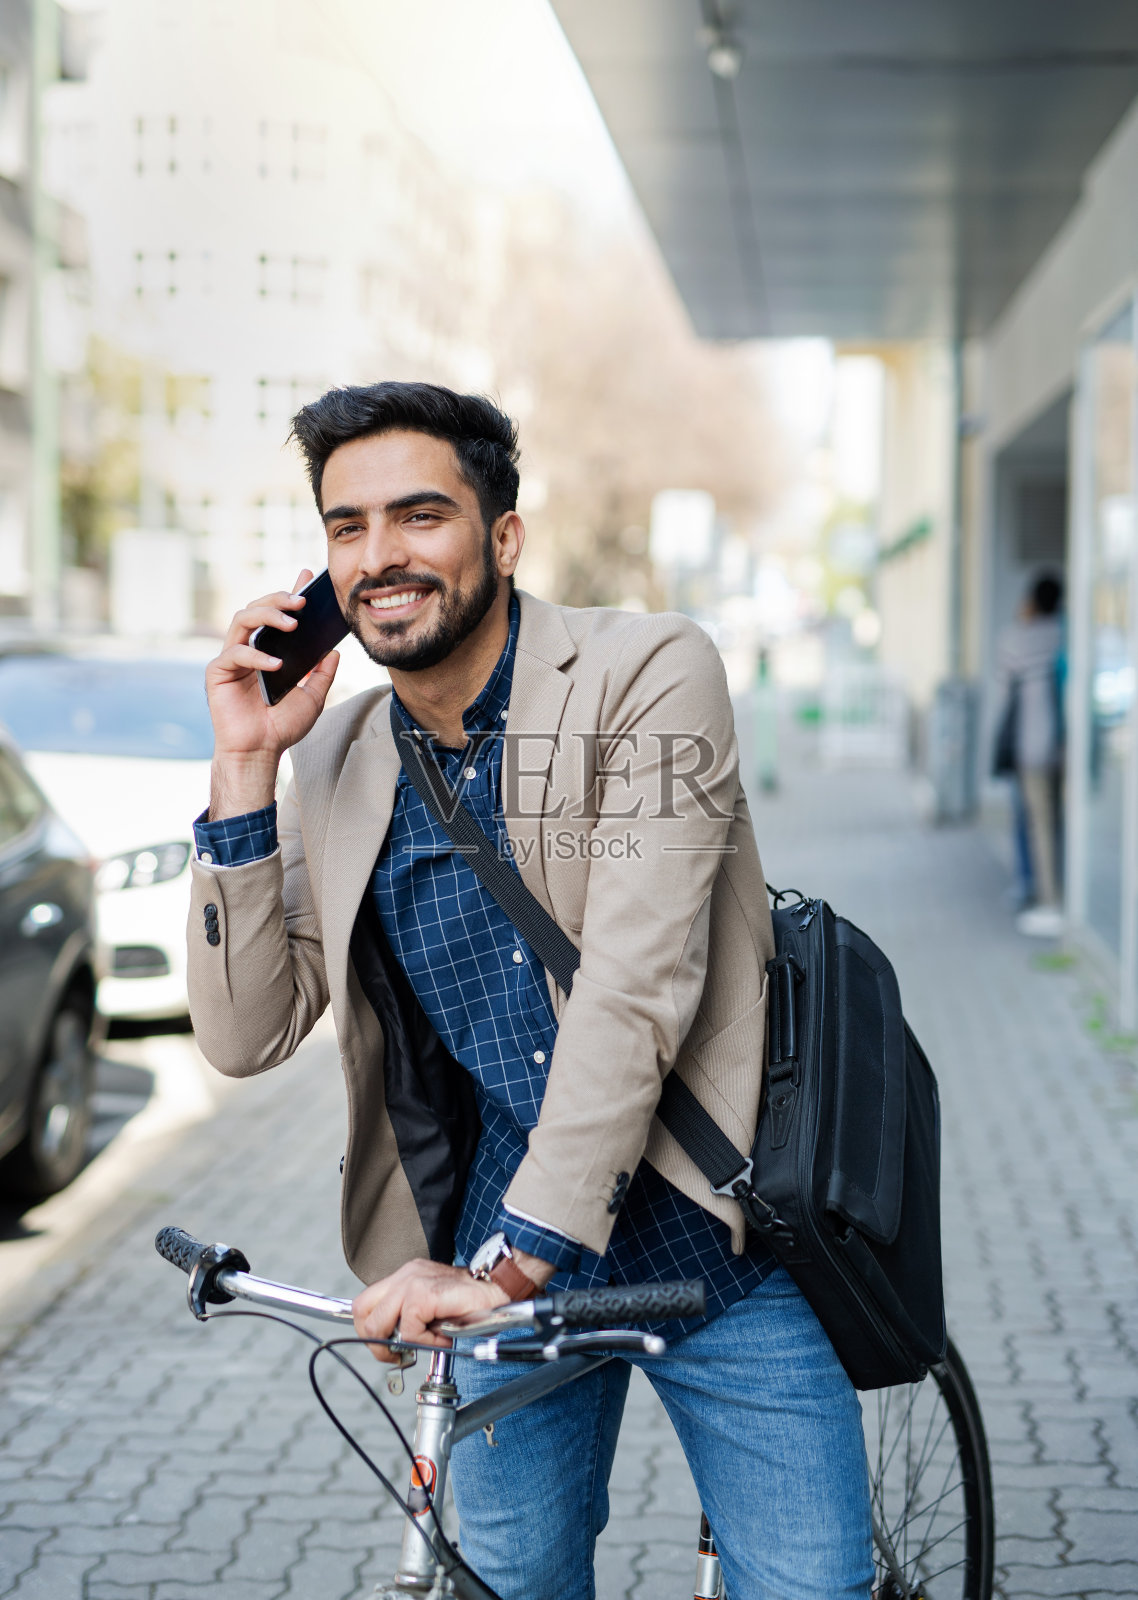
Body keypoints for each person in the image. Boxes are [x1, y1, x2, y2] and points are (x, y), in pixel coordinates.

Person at [188, 381, 873, 1600]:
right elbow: (244, 1032)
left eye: (419, 515)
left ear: (502, 537)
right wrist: (244, 766)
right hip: (495, 1247)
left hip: (709, 1236)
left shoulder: (650, 673)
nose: (379, 556)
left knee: (811, 1585)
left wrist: (509, 1269)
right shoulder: (337, 754)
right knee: (512, 1580)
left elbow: (633, 988)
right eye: (347, 527)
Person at [995, 571, 1065, 938]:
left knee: (1034, 824)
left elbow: (1004, 686)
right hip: (1064, 746)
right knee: (1055, 822)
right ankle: (1053, 891)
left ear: (1033, 602)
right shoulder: (1064, 634)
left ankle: (1046, 899)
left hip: (1031, 747)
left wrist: (1022, 620)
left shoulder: (1017, 638)